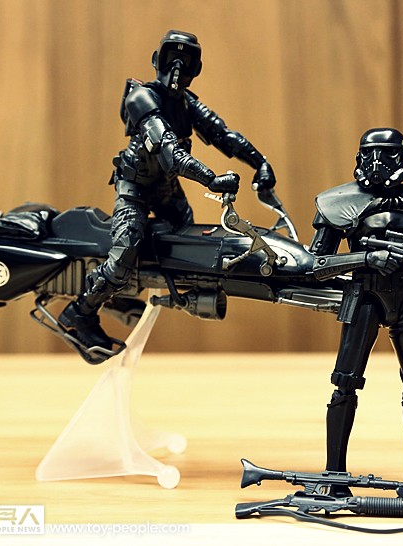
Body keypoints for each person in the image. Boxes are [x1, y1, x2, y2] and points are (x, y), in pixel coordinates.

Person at [59, 30, 276, 353]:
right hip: (135, 189)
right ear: (155, 60)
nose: (177, 67)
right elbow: (169, 152)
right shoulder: (141, 98)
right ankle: (81, 312)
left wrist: (260, 163)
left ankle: (122, 292)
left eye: (185, 62)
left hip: (166, 190)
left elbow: (224, 135)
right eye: (170, 58)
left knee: (186, 248)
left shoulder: (187, 104)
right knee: (124, 254)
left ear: (195, 69)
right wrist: (211, 179)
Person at [308, 128, 403, 488]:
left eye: (387, 153)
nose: (377, 161)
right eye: (370, 153)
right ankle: (335, 474)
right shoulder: (338, 201)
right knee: (345, 385)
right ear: (359, 157)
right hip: (365, 295)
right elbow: (316, 264)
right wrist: (367, 258)